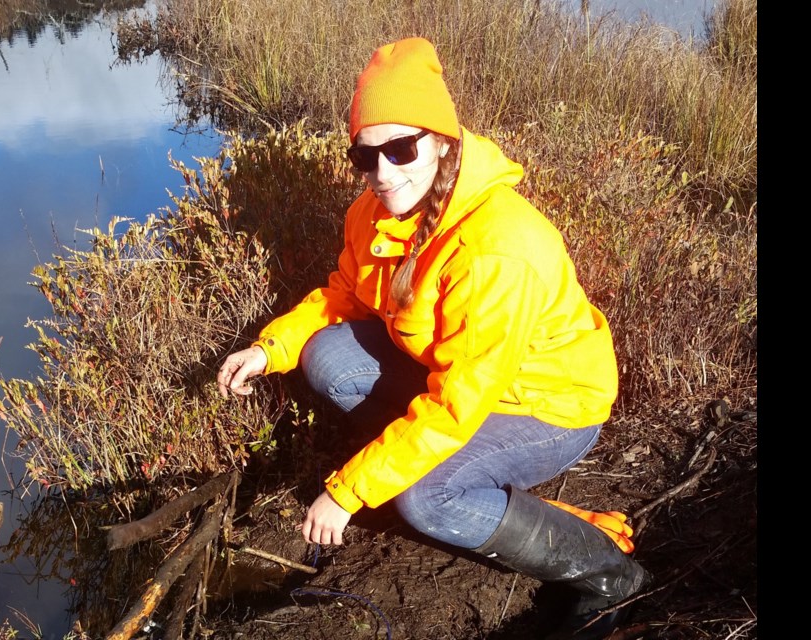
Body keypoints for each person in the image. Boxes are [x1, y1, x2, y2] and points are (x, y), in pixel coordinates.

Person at [216, 37, 648, 638]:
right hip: (459, 379)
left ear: (442, 141)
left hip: (548, 408)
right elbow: (344, 292)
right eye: (365, 157)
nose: (382, 173)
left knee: (427, 499)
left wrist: (348, 491)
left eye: (400, 148)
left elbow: (455, 407)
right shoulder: (375, 212)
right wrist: (269, 349)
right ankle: (454, 480)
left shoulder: (498, 248)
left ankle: (606, 575)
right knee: (325, 354)